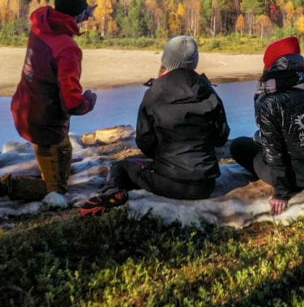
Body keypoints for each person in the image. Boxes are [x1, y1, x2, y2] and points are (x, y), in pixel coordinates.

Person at [0, 0, 98, 221]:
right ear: (79, 14)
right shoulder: (68, 48)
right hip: (46, 124)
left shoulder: (42, 25)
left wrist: (82, 12)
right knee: (57, 191)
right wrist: (89, 99)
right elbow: (72, 103)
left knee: (61, 162)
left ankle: (45, 179)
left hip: (26, 109)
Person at [79, 35, 230, 216]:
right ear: (194, 62)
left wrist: (162, 157)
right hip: (206, 185)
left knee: (122, 166)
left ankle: (111, 192)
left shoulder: (154, 92)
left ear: (166, 60)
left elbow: (144, 141)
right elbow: (221, 137)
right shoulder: (208, 91)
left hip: (168, 182)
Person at [230, 36, 304, 216]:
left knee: (239, 145)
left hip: (297, 178)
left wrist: (281, 194)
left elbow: (273, 152)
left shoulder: (268, 100)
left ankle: (285, 179)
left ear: (272, 67)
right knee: (262, 137)